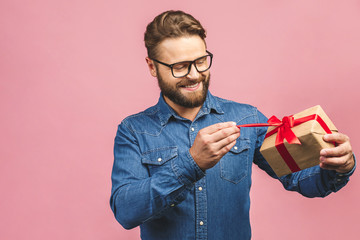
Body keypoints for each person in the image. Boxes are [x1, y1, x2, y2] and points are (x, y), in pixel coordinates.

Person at [110, 10, 355, 240]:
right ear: (152, 66)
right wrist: (192, 163)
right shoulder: (134, 131)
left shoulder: (246, 118)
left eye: (201, 61)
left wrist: (338, 166)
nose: (194, 75)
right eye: (180, 67)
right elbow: (126, 211)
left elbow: (300, 180)